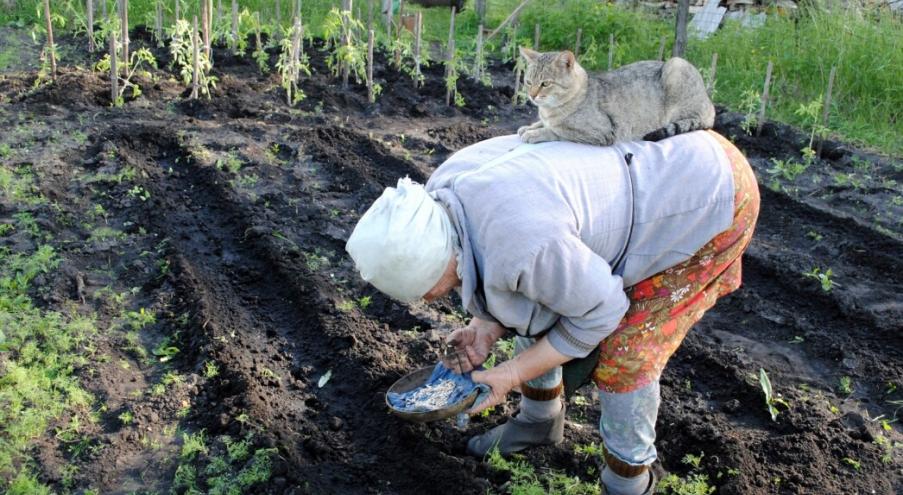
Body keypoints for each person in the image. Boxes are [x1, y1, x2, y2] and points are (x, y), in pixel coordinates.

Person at [346, 130, 759, 495]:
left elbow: (600, 310)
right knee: (547, 298)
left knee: (627, 351)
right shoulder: (444, 195)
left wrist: (510, 375)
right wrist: (484, 327)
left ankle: (629, 480)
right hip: (643, 182)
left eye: (426, 290)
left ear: (436, 260)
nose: (429, 300)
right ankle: (539, 423)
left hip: (710, 195)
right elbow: (512, 269)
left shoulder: (525, 246)